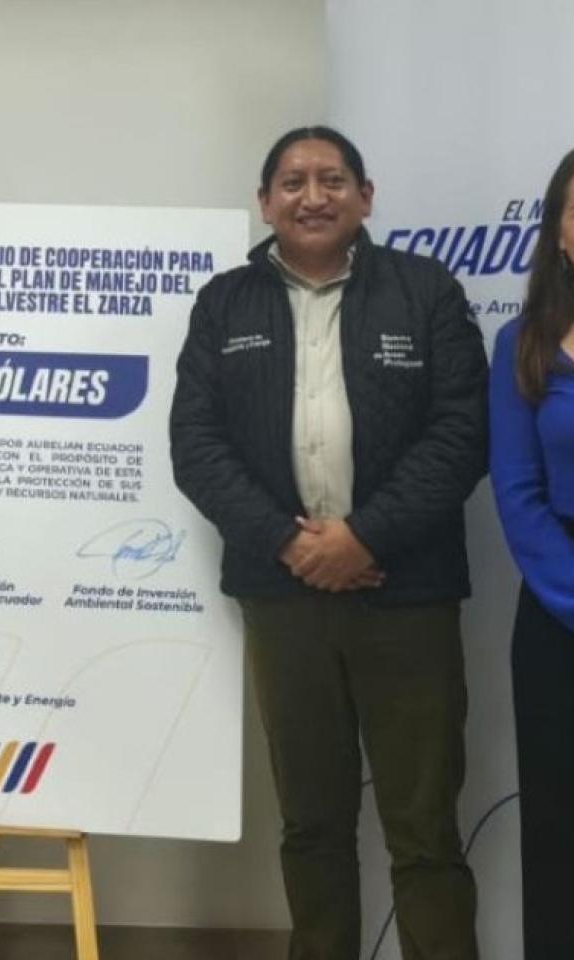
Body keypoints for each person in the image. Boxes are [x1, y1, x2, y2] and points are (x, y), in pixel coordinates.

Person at [170, 126, 487, 959]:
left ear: (365, 197)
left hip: (407, 596)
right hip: (283, 600)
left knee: (424, 827)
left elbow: (462, 434)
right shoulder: (224, 304)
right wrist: (291, 544)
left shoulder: (427, 291)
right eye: (293, 181)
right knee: (311, 824)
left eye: (333, 179)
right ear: (265, 201)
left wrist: (364, 536)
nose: (313, 196)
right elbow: (196, 446)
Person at [488, 148, 574, 960]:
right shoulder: (522, 344)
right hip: (555, 616)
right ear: (559, 231)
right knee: (557, 832)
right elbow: (518, 496)